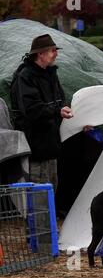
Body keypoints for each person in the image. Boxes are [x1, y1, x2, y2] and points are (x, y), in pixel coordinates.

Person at [10, 34, 73, 189]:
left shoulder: (51, 74)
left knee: (52, 188)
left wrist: (69, 112)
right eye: (52, 50)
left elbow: (60, 100)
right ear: (40, 54)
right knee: (38, 193)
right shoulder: (26, 76)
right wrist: (58, 111)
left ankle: (50, 215)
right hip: (35, 147)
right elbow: (31, 110)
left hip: (51, 146)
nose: (56, 54)